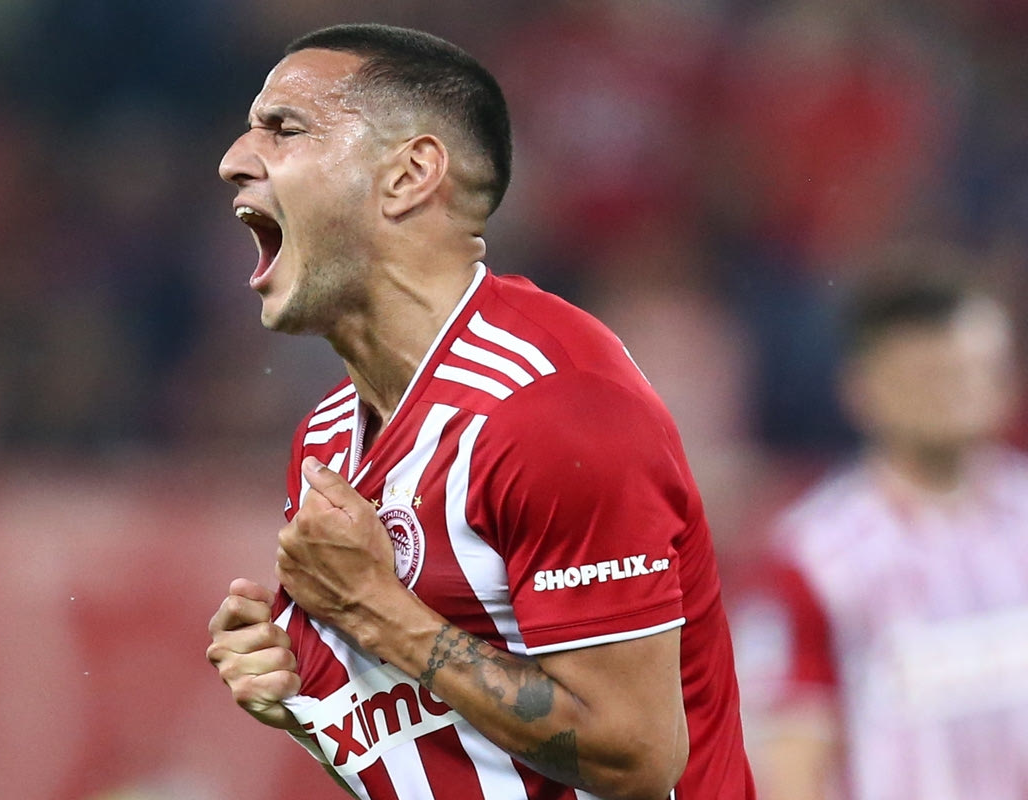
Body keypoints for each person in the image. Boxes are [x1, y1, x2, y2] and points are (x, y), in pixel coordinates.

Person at [205, 23, 756, 800]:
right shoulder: (325, 440)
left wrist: (378, 611)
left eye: (285, 129)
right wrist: (300, 704)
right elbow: (428, 753)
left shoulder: (552, 406)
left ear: (408, 176)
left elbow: (636, 754)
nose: (234, 159)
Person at [728, 255, 1028, 800]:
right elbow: (793, 755)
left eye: (971, 371)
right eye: (928, 375)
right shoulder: (815, 554)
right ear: (861, 388)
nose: (952, 392)